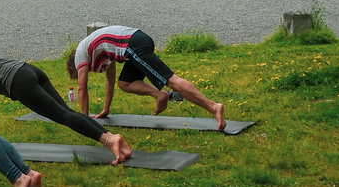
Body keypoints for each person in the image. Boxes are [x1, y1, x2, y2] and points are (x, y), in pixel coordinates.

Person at [0, 54, 133, 165]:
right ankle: (110, 136)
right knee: (68, 113)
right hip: (29, 70)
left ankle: (109, 140)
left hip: (19, 81)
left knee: (63, 116)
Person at [66, 26, 227, 132]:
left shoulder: (81, 53)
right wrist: (105, 110)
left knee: (170, 79)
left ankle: (213, 107)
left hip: (133, 44)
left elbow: (82, 89)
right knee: (125, 83)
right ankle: (160, 94)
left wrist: (85, 123)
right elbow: (111, 82)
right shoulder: (100, 50)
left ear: (76, 65)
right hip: (136, 39)